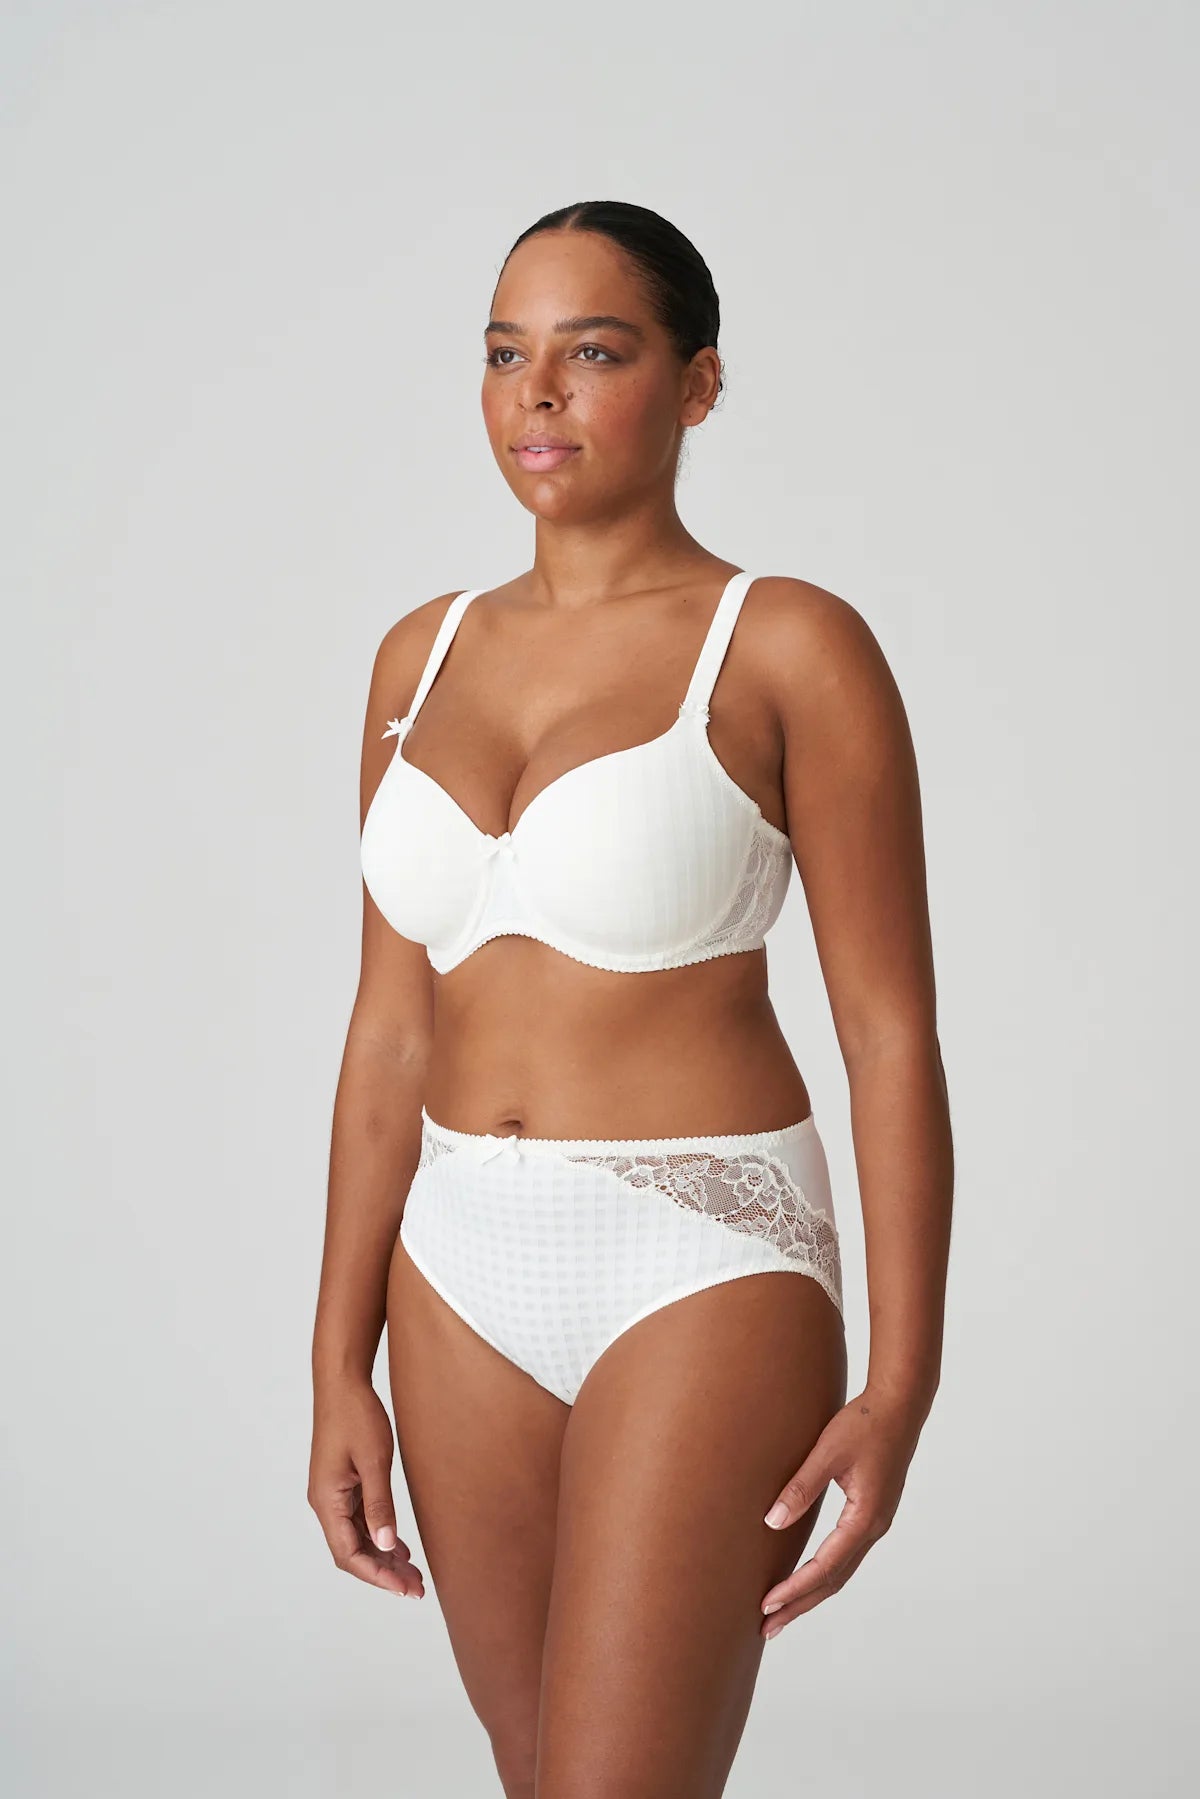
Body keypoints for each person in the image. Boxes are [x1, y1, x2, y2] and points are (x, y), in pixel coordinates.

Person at [309, 199, 954, 1799]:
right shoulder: (416, 657)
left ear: (699, 383)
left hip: (703, 1252)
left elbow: (888, 1035)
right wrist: (335, 1361)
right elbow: (389, 1029)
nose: (538, 393)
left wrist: (902, 1385)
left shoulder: (787, 643)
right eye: (504, 354)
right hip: (452, 1267)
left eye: (594, 352)